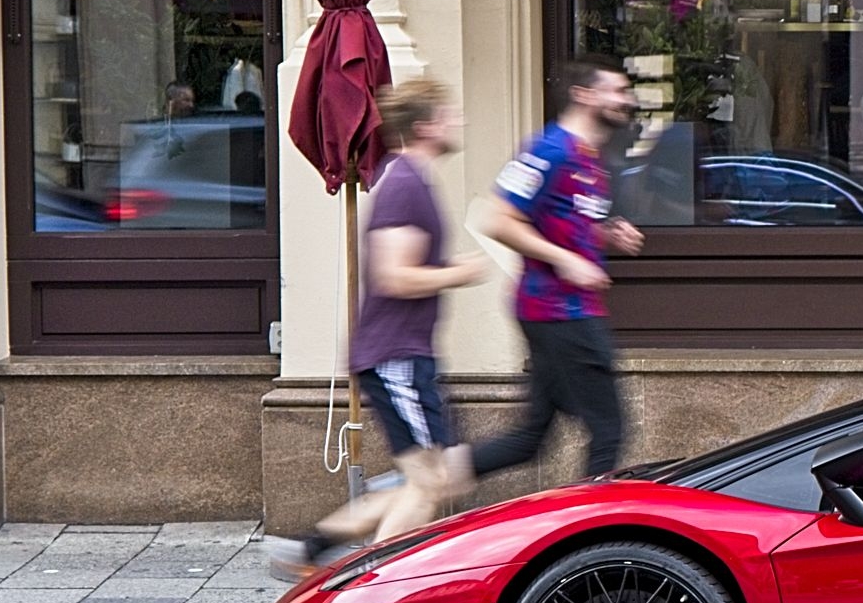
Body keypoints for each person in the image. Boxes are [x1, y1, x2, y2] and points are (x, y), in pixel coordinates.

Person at [274, 80, 490, 576]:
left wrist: (448, 264)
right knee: (431, 482)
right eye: (448, 114)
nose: (458, 121)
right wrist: (461, 272)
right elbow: (394, 275)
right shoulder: (406, 184)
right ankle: (369, 582)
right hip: (396, 357)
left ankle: (310, 550)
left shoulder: (410, 180)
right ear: (425, 126)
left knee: (432, 479)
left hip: (403, 355)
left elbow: (408, 263)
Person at [471, 59, 645, 482]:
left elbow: (564, 224)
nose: (626, 100)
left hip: (562, 309)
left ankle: (430, 477)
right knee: (609, 430)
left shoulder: (589, 157)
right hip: (558, 311)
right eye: (616, 90)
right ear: (584, 95)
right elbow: (497, 219)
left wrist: (605, 236)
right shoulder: (550, 150)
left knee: (531, 438)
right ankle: (597, 533)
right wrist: (566, 260)